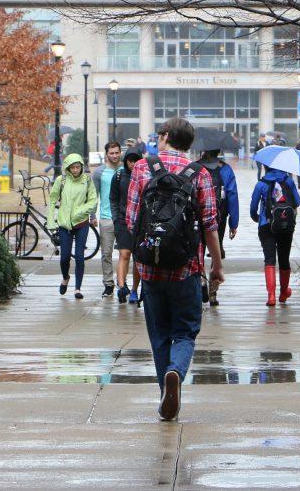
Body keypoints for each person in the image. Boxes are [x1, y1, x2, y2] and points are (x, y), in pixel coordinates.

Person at [126, 118, 223, 421]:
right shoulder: (201, 174)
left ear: (167, 136)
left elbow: (131, 221)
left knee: (159, 335)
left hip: (151, 269)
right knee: (185, 332)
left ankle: (165, 393)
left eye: (158, 136)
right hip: (186, 268)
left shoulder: (143, 167)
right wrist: (217, 265)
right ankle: (175, 373)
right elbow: (209, 226)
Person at [48, 153, 98, 300]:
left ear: (82, 167)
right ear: (68, 168)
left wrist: (80, 212)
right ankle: (65, 277)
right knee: (64, 257)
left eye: (78, 167)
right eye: (73, 167)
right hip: (65, 224)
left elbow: (93, 201)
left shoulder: (87, 180)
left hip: (81, 223)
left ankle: (77, 288)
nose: (75, 170)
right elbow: (52, 201)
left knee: (80, 257)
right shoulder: (61, 180)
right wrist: (51, 221)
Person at [250, 164, 300, 307]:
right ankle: (284, 292)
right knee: (284, 258)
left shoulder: (261, 183)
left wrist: (257, 218)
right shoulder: (288, 181)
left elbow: (253, 207)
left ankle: (271, 296)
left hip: (266, 225)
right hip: (286, 225)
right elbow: (297, 202)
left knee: (269, 259)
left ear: (265, 167)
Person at [196, 148, 239, 305]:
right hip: (218, 216)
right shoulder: (226, 169)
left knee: (198, 250)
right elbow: (232, 194)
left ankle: (201, 280)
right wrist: (234, 222)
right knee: (216, 251)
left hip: (197, 215)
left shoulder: (195, 167)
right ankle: (213, 291)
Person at [90, 141, 122, 297]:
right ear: (106, 154)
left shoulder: (127, 169)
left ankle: (122, 283)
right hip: (106, 218)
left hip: (123, 218)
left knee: (125, 254)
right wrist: (92, 215)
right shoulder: (99, 173)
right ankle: (108, 284)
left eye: (117, 152)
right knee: (106, 253)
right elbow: (93, 196)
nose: (114, 155)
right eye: (112, 153)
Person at [113, 147, 143, 304]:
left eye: (136, 160)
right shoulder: (119, 175)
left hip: (140, 222)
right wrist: (116, 218)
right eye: (130, 161)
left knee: (138, 258)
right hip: (123, 221)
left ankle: (134, 290)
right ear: (125, 161)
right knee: (124, 254)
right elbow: (114, 198)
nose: (133, 164)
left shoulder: (145, 175)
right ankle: (121, 287)